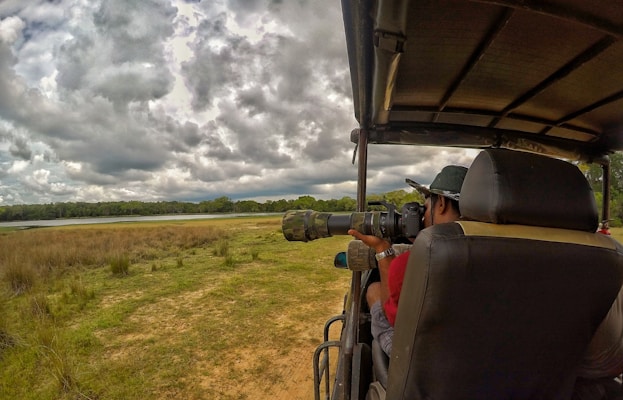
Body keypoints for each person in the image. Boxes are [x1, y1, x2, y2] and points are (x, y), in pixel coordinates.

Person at [348, 165, 467, 356]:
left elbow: (392, 316)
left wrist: (382, 249)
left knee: (373, 290)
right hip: (484, 353)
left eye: (426, 208)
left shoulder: (415, 262)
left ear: (442, 203)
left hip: (426, 359)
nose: (423, 216)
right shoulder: (511, 249)